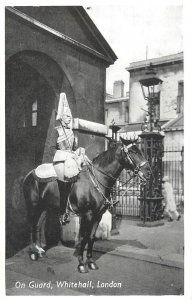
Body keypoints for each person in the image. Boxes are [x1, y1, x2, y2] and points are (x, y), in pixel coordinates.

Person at [52, 92, 89, 224]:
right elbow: (52, 148)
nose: (69, 119)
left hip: (70, 161)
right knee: (64, 184)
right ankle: (62, 212)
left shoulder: (72, 134)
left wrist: (80, 150)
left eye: (70, 117)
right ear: (61, 118)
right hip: (60, 161)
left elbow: (74, 149)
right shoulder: (57, 131)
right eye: (67, 117)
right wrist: (68, 154)